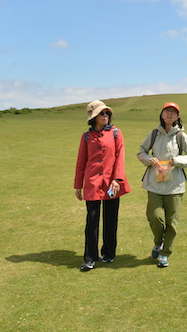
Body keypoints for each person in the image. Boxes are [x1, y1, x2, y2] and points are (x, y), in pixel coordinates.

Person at [137, 102, 187, 268]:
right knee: (155, 217)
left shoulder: (181, 136)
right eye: (167, 111)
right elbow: (141, 152)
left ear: (177, 117)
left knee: (172, 222)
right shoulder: (154, 134)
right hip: (154, 184)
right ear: (162, 114)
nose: (170, 114)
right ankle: (158, 242)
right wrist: (150, 159)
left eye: (174, 112)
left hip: (175, 185)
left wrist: (176, 161)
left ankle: (164, 253)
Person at [74, 100, 131, 272]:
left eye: (107, 113)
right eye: (101, 113)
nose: (105, 116)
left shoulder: (115, 133)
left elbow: (120, 157)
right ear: (94, 117)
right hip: (92, 183)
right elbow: (81, 162)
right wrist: (78, 185)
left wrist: (117, 179)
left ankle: (109, 253)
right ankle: (90, 258)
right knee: (91, 221)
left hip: (112, 182)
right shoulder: (86, 136)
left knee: (110, 218)